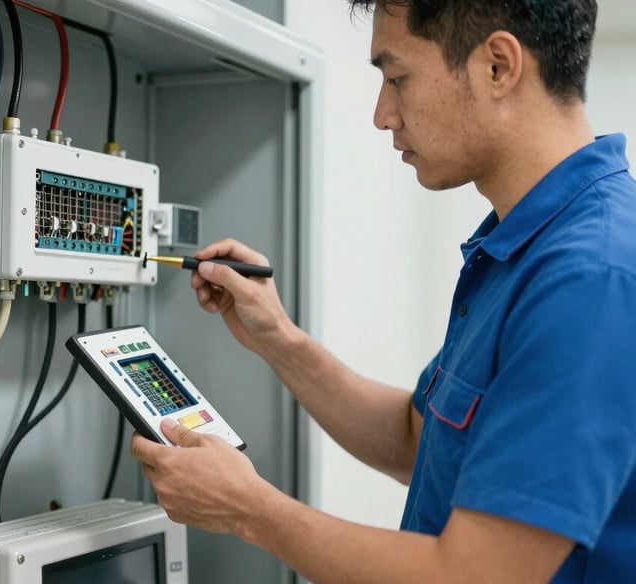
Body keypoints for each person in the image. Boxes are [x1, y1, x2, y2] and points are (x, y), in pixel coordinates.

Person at [131, 0, 636, 581]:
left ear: (498, 66)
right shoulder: (518, 249)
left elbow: (474, 577)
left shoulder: (588, 276)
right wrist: (279, 339)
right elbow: (413, 439)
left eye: (397, 78)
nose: (383, 114)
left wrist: (248, 509)